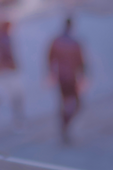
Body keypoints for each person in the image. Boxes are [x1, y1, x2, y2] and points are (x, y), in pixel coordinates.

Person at [47, 17, 86, 145]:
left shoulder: (56, 41)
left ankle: (64, 125)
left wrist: (51, 74)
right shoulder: (75, 43)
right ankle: (66, 125)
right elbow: (81, 63)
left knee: (65, 103)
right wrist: (83, 78)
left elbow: (50, 58)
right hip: (71, 78)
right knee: (78, 104)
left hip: (61, 78)